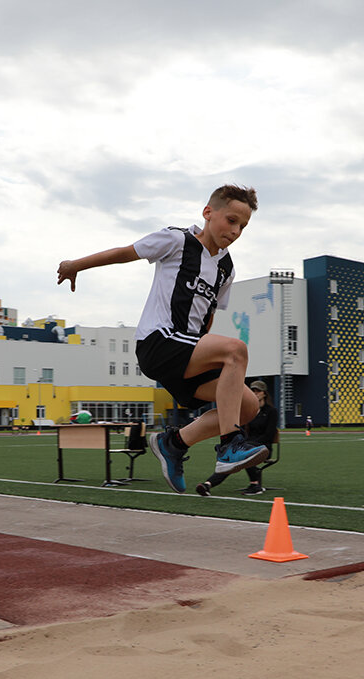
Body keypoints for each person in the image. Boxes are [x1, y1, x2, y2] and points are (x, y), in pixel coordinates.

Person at [57, 184, 268, 493]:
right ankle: (229, 446)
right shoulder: (176, 240)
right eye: (232, 220)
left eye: (243, 226)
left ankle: (173, 443)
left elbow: (207, 315)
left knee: (248, 406)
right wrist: (75, 265)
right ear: (208, 213)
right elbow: (124, 253)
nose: (236, 231)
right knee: (236, 350)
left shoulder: (227, 268)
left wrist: (206, 354)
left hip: (187, 351)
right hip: (158, 342)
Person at [196, 380, 277, 496]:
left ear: (264, 393)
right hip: (247, 445)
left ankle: (255, 485)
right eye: (252, 390)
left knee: (244, 453)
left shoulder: (271, 412)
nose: (254, 393)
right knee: (232, 456)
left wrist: (246, 445)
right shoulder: (248, 411)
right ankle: (207, 485)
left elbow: (269, 435)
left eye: (257, 391)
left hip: (264, 447)